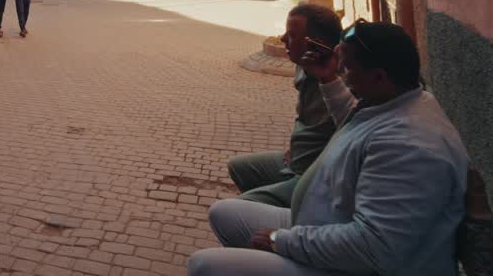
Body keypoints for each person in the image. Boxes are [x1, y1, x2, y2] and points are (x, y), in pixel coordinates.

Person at [188, 21, 469, 276]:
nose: (343, 75)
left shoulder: (409, 147)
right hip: (327, 223)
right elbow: (355, 123)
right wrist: (328, 79)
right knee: (224, 213)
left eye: (347, 69)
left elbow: (373, 247)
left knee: (205, 265)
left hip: (358, 264)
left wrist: (281, 241)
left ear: (380, 77)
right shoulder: (401, 100)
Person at [227, 4, 343, 207]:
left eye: (292, 35)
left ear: (315, 43)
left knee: (235, 209)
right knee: (239, 167)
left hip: (316, 175)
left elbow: (349, 131)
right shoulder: (303, 67)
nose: (282, 39)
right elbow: (305, 116)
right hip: (295, 160)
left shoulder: (339, 85)